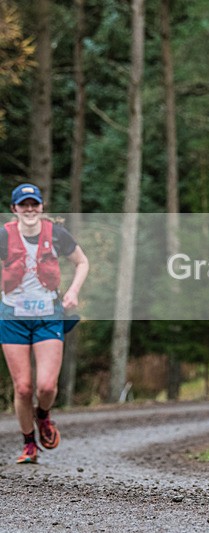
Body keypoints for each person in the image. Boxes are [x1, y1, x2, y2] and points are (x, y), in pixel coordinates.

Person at [0, 183, 89, 464]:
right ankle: (29, 444)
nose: (29, 210)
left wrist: (73, 291)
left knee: (46, 387)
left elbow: (82, 262)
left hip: (48, 315)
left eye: (33, 204)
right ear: (14, 209)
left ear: (41, 207)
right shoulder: (3, 236)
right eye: (23, 205)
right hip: (12, 317)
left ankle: (43, 415)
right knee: (23, 387)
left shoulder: (56, 234)